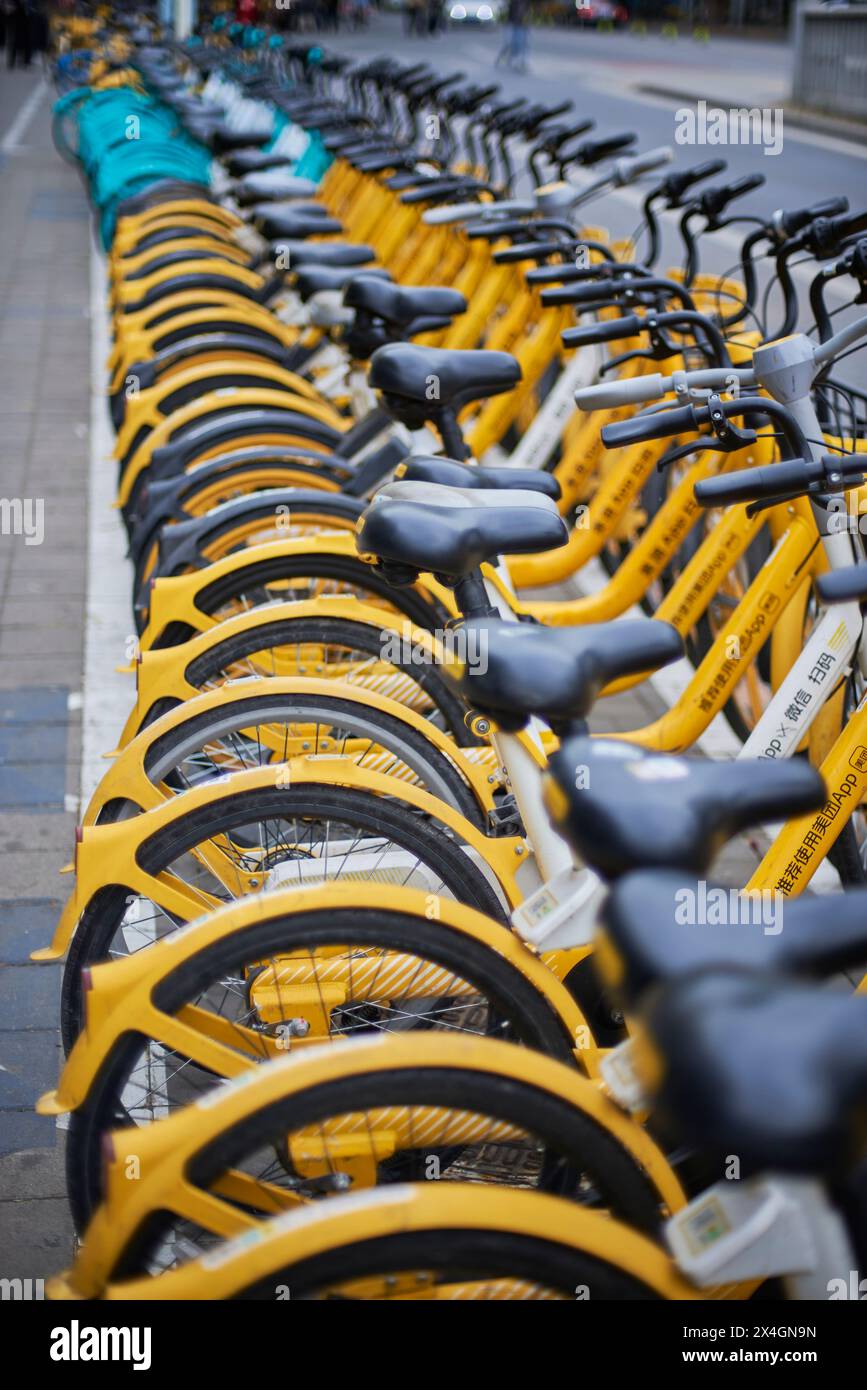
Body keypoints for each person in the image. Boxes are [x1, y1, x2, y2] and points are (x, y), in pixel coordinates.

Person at [496, 0, 530, 74]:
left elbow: (527, 14)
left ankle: (521, 63)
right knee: (509, 43)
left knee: (522, 44)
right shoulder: (513, 2)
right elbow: (507, 13)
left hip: (521, 26)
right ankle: (502, 58)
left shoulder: (526, 3)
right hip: (512, 25)